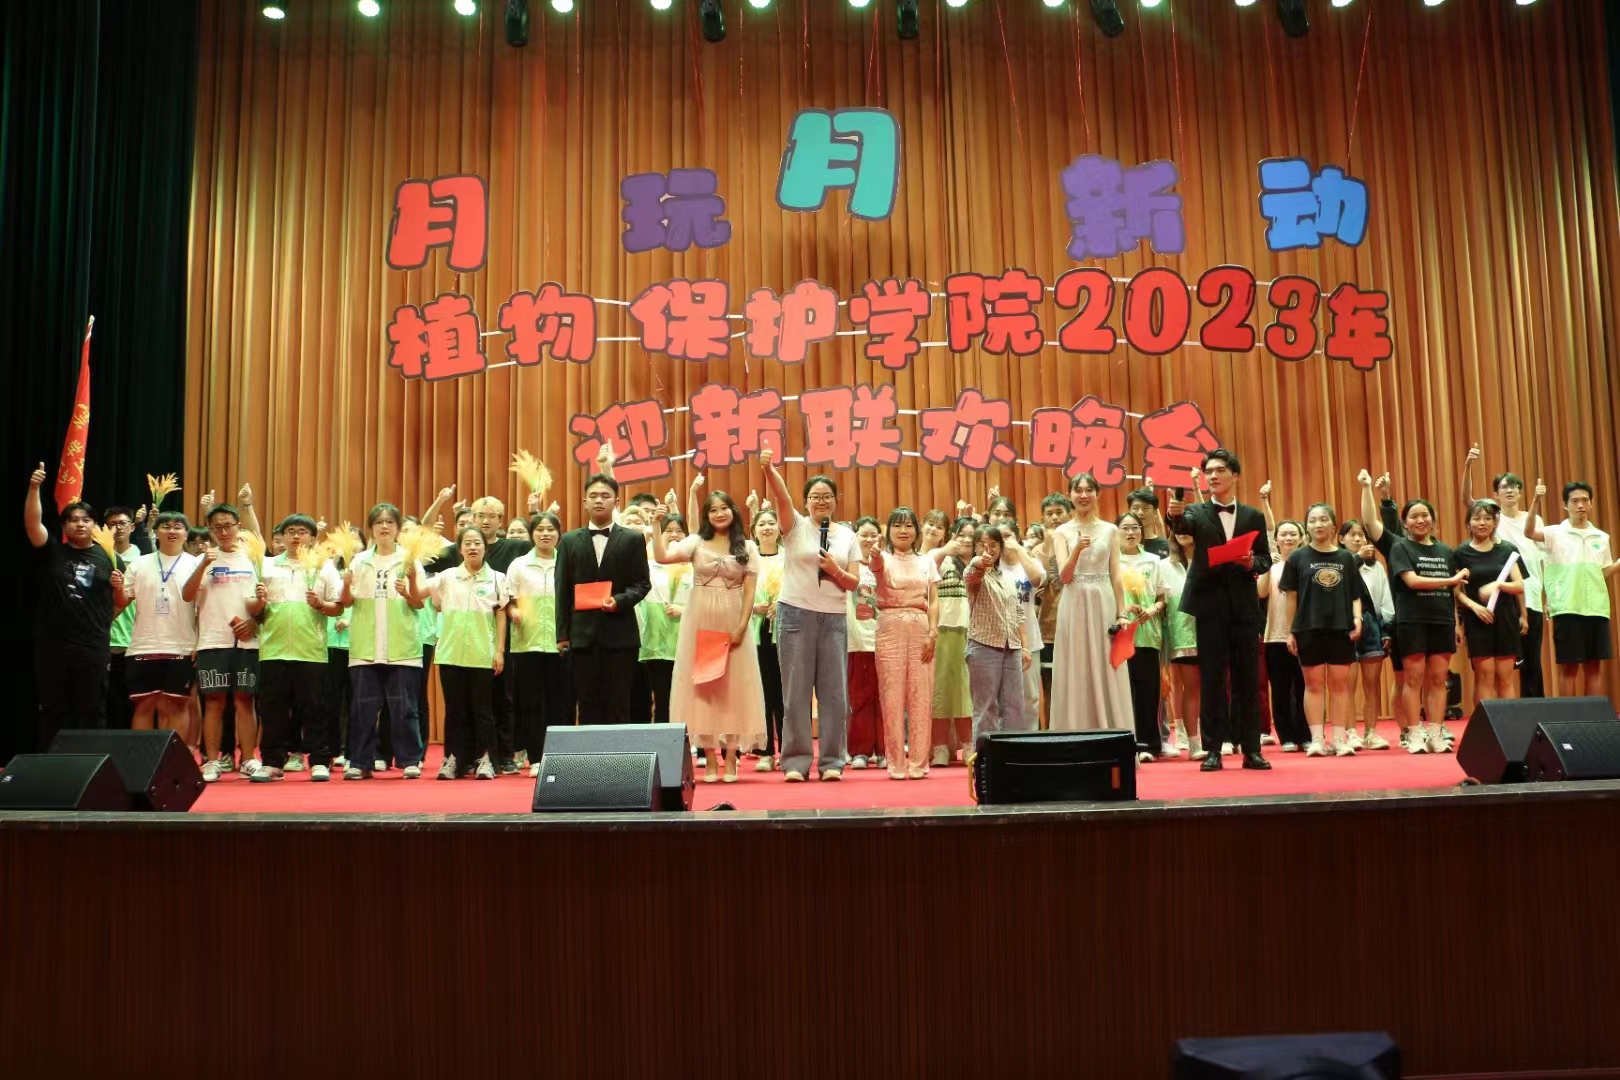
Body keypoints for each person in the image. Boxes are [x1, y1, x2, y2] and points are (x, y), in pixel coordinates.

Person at [1165, 450, 1274, 772]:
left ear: (1234, 475)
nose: (1212, 476)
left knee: (1247, 680)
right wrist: (1173, 513)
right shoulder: (1196, 512)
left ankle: (1251, 749)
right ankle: (1213, 748)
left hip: (1243, 606)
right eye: (1208, 471)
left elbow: (1265, 558)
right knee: (1211, 680)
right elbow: (1182, 525)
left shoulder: (1253, 516)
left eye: (1219, 470)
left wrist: (1251, 562)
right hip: (1210, 606)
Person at [757, 444, 860, 782]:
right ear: (806, 502)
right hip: (795, 617)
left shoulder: (848, 536)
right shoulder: (795, 526)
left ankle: (832, 762)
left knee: (834, 696)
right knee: (795, 694)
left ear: (836, 500)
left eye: (827, 496)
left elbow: (854, 581)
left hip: (833, 620)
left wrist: (834, 570)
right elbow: (782, 497)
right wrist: (769, 470)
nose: (821, 501)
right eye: (815, 497)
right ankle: (796, 762)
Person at [654, 492, 765, 783]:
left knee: (733, 689)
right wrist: (655, 525)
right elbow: (662, 557)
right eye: (713, 510)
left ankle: (731, 758)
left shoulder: (748, 547)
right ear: (706, 515)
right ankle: (710, 758)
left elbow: (750, 592)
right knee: (704, 690)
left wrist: (742, 627)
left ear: (733, 511)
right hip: (700, 622)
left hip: (733, 621)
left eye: (724, 508)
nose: (719, 514)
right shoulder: (696, 542)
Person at [24, 464, 127, 747]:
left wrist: (119, 588)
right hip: (52, 643)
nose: (80, 524)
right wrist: (34, 488)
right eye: (73, 520)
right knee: (53, 707)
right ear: (64, 526)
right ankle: (53, 762)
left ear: (95, 525)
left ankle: (91, 762)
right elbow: (33, 524)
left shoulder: (110, 557)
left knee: (92, 707)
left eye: (86, 519)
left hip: (92, 644)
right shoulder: (53, 551)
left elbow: (121, 603)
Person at [338, 503, 428, 781]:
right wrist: (345, 584)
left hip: (402, 646)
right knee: (363, 708)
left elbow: (419, 603)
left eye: (390, 522)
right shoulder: (359, 561)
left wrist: (408, 589)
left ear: (398, 528)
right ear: (371, 529)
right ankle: (360, 762)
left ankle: (410, 760)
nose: (384, 527)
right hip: (365, 646)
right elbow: (345, 603)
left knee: (405, 708)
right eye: (379, 522)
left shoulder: (409, 560)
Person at [555, 474, 651, 726]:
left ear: (616, 502)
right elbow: (562, 590)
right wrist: (562, 635)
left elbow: (642, 583)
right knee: (587, 704)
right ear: (585, 501)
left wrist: (619, 600)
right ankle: (590, 752)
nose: (599, 500)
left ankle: (618, 752)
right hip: (582, 637)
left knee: (619, 703)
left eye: (605, 496)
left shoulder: (632, 539)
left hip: (621, 636)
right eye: (594, 496)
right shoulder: (568, 540)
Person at [256, 515, 344, 781]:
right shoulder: (267, 566)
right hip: (273, 649)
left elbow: (338, 607)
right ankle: (272, 762)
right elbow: (254, 608)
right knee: (273, 710)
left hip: (311, 650)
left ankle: (319, 761)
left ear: (313, 538)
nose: (296, 536)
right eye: (291, 531)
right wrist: (258, 603)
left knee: (316, 709)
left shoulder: (324, 567)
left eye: (303, 532)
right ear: (281, 536)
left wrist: (320, 605)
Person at [182, 503, 265, 780]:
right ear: (210, 530)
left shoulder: (253, 559)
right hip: (212, 641)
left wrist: (254, 622)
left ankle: (249, 759)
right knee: (214, 702)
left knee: (244, 700)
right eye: (217, 527)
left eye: (228, 525)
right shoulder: (203, 560)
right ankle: (212, 761)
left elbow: (264, 602)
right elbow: (187, 595)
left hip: (247, 642)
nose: (224, 531)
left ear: (238, 526)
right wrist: (203, 564)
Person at [1050, 473, 1134, 732]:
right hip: (1074, 601)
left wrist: (1121, 612)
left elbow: (1116, 575)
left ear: (1098, 494)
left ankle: (1112, 732)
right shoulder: (1061, 532)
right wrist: (1076, 549)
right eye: (1078, 490)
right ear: (1070, 496)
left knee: (1106, 664)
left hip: (1103, 601)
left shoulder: (1110, 530)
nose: (1083, 495)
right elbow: (1064, 577)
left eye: (1089, 490)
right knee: (1075, 665)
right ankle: (1073, 733)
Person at [1280, 503, 1364, 756]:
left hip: (1341, 629)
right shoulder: (1297, 558)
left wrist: (1357, 618)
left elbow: (1355, 595)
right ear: (1307, 526)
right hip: (1308, 628)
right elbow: (1291, 598)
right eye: (1313, 520)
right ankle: (1316, 739)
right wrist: (1290, 631)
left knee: (1339, 686)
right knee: (1313, 685)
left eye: (1324, 519)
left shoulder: (1346, 558)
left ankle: (1339, 739)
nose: (1318, 524)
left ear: (1333, 526)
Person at [1462, 449, 1547, 697]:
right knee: (1501, 667)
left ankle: (1534, 714)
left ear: (1521, 492)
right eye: (1504, 487)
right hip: (1502, 602)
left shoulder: (1534, 519)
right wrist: (1468, 466)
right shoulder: (1492, 518)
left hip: (1530, 596)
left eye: (1515, 487)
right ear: (1495, 494)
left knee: (1532, 662)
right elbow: (1467, 499)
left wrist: (1548, 598)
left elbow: (1544, 560)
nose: (1510, 490)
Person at [431, 527, 512, 779]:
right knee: (455, 710)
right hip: (451, 652)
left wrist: (499, 650)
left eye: (477, 543)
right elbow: (420, 596)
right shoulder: (446, 577)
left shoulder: (497, 578)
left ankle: (486, 759)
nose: (473, 547)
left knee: (483, 710)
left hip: (482, 653)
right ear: (460, 549)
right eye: (467, 543)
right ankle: (454, 759)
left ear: (485, 548)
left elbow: (501, 615)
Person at [1387, 499, 1465, 754]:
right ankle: (1414, 732)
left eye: (1425, 515)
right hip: (1412, 621)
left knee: (1439, 679)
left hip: (1442, 620)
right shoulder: (1400, 547)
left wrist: (1456, 623)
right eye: (1413, 516)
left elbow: (1453, 593)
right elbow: (1412, 581)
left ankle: (1435, 733)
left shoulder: (1445, 551)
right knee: (1413, 679)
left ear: (1433, 519)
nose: (1420, 520)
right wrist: (1450, 580)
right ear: (1405, 523)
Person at [1526, 481, 1618, 698]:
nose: (1580, 505)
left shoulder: (1601, 537)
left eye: (1585, 500)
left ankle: (1591, 717)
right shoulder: (1554, 533)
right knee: (1569, 667)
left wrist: (1617, 566)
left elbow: (1602, 572)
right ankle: (1567, 717)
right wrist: (1536, 500)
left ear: (1591, 503)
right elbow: (1528, 532)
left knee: (1594, 666)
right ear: (1565, 505)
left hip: (1596, 607)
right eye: (1575, 501)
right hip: (1567, 607)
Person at [869, 507, 940, 780]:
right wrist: (876, 554)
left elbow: (934, 599)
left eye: (909, 525)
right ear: (888, 531)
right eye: (897, 525)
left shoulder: (927, 561)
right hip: (889, 628)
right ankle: (896, 763)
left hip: (921, 628)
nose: (903, 531)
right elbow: (876, 567)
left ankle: (919, 762)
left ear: (916, 530)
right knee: (892, 697)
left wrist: (933, 633)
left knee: (922, 697)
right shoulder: (882, 557)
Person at [122, 511, 200, 737]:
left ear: (186, 534)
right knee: (144, 705)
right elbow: (120, 602)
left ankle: (172, 758)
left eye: (178, 526)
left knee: (176, 706)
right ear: (156, 532)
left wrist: (200, 642)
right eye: (166, 526)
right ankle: (143, 758)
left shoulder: (197, 564)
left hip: (182, 646)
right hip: (143, 646)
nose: (172, 530)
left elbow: (203, 608)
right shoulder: (139, 564)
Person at [508, 512, 573, 776]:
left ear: (559, 534)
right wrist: (513, 610)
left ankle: (559, 756)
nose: (545, 534)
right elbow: (508, 599)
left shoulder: (567, 562)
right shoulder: (519, 565)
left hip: (561, 643)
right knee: (531, 703)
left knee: (561, 702)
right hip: (527, 644)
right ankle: (535, 758)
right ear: (532, 534)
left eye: (550, 529)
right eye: (540, 529)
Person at [1453, 500, 1527, 705]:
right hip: (1477, 620)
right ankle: (1485, 724)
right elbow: (1456, 591)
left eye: (1487, 518)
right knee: (1484, 676)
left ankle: (1508, 724)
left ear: (1494, 523)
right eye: (1476, 518)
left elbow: (1519, 585)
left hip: (1506, 618)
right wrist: (1474, 606)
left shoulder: (1507, 550)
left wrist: (1498, 585)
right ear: (1468, 523)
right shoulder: (1460, 553)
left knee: (1505, 678)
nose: (1482, 523)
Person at [964, 524, 1027, 741]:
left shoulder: (1006, 578)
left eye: (993, 545)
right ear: (974, 547)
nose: (988, 550)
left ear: (1000, 548)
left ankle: (1013, 757)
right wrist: (979, 562)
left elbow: (1018, 614)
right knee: (985, 708)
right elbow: (972, 573)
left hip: (1012, 648)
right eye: (982, 545)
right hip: (983, 646)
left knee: (1015, 708)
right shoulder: (974, 572)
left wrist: (1025, 646)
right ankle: (985, 760)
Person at [1117, 512, 1168, 764]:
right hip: (1121, 633)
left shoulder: (1153, 561)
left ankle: (1149, 744)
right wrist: (1123, 609)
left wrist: (1153, 609)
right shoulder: (1111, 561)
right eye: (1125, 528)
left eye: (1135, 528)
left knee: (1148, 691)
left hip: (1148, 633)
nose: (1131, 533)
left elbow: (1162, 597)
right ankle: (1125, 743)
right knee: (1123, 692)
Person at [1340, 520, 1394, 749]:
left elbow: (1385, 599)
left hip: (1371, 626)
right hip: (1345, 626)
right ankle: (1350, 733)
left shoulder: (1376, 567)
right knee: (1347, 685)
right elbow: (1339, 585)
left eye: (1361, 534)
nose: (1358, 538)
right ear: (1341, 539)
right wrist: (1357, 558)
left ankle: (1371, 732)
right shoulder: (1338, 563)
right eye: (1352, 534)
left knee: (1372, 685)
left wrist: (1386, 628)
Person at [1258, 520, 1311, 751]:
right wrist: (1267, 566)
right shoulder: (1272, 566)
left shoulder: (1308, 564)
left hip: (1304, 635)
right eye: (1283, 534)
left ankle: (1306, 735)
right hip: (1275, 635)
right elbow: (1260, 592)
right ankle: (1287, 736)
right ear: (1276, 539)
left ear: (1301, 537)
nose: (1288, 538)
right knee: (1280, 688)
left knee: (1304, 687)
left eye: (1293, 534)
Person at [929, 517, 977, 763]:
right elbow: (927, 563)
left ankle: (968, 745)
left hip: (973, 632)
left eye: (971, 535)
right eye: (962, 534)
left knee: (966, 691)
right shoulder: (943, 559)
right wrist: (945, 550)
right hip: (943, 630)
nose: (966, 540)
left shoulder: (981, 563)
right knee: (940, 690)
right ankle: (939, 746)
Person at [638, 510, 690, 727]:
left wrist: (684, 610)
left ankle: (688, 740)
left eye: (679, 531)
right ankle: (663, 740)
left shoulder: (695, 566)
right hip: (657, 641)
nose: (674, 535)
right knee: (661, 697)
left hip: (686, 643)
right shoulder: (648, 565)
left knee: (686, 698)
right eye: (669, 530)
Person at [996, 521, 1047, 734]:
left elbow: (1037, 579)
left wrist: (1019, 550)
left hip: (1029, 640)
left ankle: (1029, 741)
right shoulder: (992, 565)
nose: (1004, 541)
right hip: (998, 640)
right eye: (999, 537)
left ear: (1017, 536)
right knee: (1001, 698)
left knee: (1030, 697)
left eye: (1008, 535)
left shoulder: (1030, 562)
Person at [845, 517, 884, 768]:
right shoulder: (849, 566)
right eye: (864, 535)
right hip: (857, 639)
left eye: (873, 535)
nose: (869, 539)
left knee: (883, 698)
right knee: (859, 697)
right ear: (855, 537)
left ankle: (884, 750)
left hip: (884, 638)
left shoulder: (886, 563)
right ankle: (860, 751)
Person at [750, 509, 785, 771]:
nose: (767, 527)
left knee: (784, 692)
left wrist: (780, 604)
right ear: (754, 530)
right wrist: (754, 607)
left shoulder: (789, 557)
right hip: (756, 630)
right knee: (762, 692)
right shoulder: (747, 558)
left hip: (785, 630)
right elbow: (737, 591)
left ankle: (787, 748)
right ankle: (765, 752)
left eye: (772, 522)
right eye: (761, 524)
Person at [1162, 531, 1201, 759]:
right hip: (1182, 634)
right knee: (1191, 686)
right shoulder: (1164, 565)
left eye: (1189, 527)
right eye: (1178, 528)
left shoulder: (1210, 560)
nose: (1184, 532)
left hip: (1212, 630)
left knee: (1214, 687)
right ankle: (1192, 741)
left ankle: (1217, 737)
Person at [1035, 494, 1074, 727]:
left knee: (1075, 687)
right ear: (1042, 519)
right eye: (1049, 514)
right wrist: (1049, 545)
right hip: (1047, 631)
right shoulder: (1036, 551)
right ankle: (1050, 734)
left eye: (1060, 512)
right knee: (1049, 687)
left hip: (1075, 628)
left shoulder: (1079, 548)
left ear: (1070, 514)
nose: (1055, 518)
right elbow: (1043, 584)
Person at [103, 505, 140, 730]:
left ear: (132, 527)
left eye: (122, 523)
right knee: (105, 700)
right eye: (112, 524)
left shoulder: (142, 559)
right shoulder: (98, 556)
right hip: (104, 639)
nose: (117, 528)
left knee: (130, 702)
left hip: (132, 640)